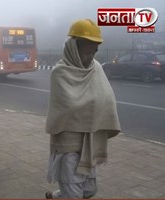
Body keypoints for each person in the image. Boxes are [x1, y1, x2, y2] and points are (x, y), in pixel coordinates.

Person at [45, 19, 121, 198]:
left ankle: (58, 196)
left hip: (90, 140)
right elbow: (70, 106)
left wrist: (94, 105)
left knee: (89, 190)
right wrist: (93, 105)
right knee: (73, 192)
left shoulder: (96, 68)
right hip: (68, 143)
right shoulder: (60, 72)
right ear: (74, 48)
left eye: (94, 52)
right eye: (87, 52)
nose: (91, 57)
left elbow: (106, 98)